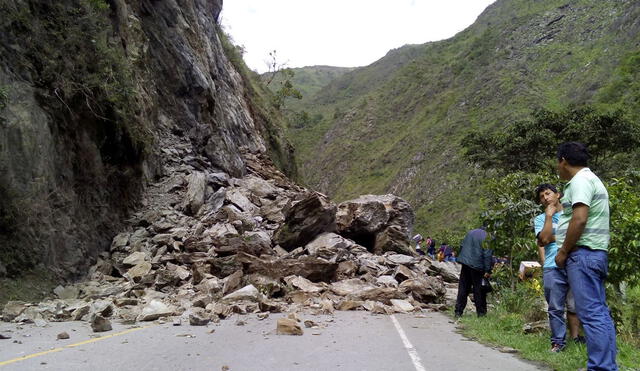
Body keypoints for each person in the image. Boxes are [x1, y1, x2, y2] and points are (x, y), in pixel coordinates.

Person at [554, 142, 617, 370]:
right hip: (593, 253)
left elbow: (579, 219)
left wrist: (563, 252)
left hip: (583, 254)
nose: (557, 167)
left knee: (590, 314)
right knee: (598, 312)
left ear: (563, 160)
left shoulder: (580, 181)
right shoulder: (591, 178)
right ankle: (606, 365)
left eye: (557, 162)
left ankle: (600, 367)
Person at [533, 183, 584, 353]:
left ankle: (576, 338)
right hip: (551, 266)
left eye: (548, 194)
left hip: (573, 262)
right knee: (555, 307)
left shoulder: (571, 214)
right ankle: (558, 343)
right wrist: (549, 217)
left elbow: (579, 234)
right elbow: (544, 240)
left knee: (574, 305)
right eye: (542, 197)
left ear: (558, 195)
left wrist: (553, 237)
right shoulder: (540, 219)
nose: (545, 198)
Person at [454, 226, 493, 317]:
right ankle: (481, 313)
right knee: (479, 290)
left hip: (465, 264)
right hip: (478, 266)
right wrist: (488, 270)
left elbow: (462, 246)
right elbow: (487, 254)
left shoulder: (470, 233)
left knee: (463, 288)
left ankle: (458, 312)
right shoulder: (488, 237)